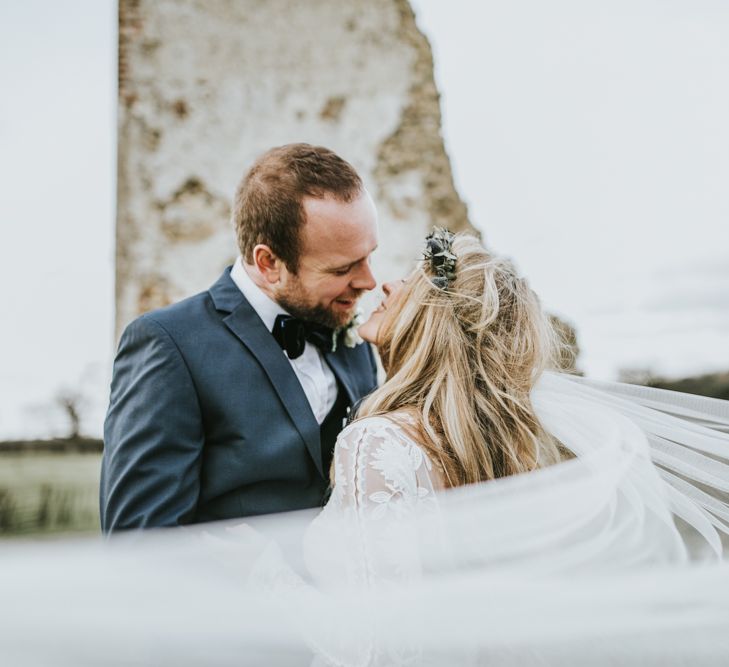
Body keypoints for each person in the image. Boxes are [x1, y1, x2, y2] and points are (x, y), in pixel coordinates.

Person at [100, 144, 380, 532]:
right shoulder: (168, 345)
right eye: (342, 268)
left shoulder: (352, 336)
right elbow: (141, 541)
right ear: (269, 263)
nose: (368, 281)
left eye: (369, 256)